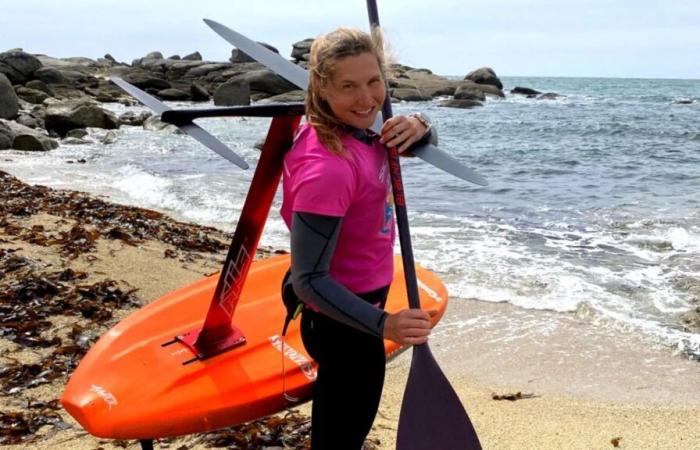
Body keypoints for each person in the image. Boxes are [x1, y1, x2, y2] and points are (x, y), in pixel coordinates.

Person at [280, 27, 438, 450]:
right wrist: (384, 324)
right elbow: (307, 279)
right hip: (342, 323)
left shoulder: (360, 132)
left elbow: (412, 141)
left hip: (352, 308)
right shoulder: (328, 168)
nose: (367, 98)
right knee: (341, 436)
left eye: (374, 81)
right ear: (322, 88)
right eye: (348, 86)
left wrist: (420, 125)